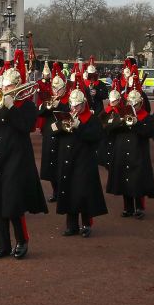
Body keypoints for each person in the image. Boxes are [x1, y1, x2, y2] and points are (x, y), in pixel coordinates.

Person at [0, 63, 48, 259]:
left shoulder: (27, 105)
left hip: (16, 158)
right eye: (4, 87)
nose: (4, 90)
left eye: (8, 87)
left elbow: (26, 127)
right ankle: (2, 245)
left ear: (17, 85)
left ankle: (22, 240)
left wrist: (9, 106)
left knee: (13, 202)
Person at [53, 87, 108, 237]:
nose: (74, 108)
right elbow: (54, 131)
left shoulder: (92, 119)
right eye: (72, 105)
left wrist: (79, 127)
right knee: (69, 191)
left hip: (84, 160)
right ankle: (72, 225)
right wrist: (60, 125)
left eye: (77, 105)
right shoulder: (67, 115)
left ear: (83, 104)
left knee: (84, 192)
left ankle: (86, 224)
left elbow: (95, 136)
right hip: (68, 158)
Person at [103, 90, 154, 218]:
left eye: (136, 105)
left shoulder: (146, 117)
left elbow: (149, 132)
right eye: (131, 105)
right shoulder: (120, 114)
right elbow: (108, 128)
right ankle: (128, 207)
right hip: (122, 151)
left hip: (138, 152)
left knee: (137, 180)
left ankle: (139, 207)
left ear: (140, 104)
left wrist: (136, 123)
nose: (133, 108)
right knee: (124, 179)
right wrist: (120, 121)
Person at [37, 70, 68, 202]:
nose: (56, 91)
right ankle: (55, 191)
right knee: (51, 164)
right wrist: (49, 106)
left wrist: (59, 105)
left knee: (62, 165)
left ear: (64, 89)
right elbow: (40, 113)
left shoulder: (68, 100)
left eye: (59, 89)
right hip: (50, 134)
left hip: (62, 136)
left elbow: (69, 114)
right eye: (54, 89)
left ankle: (63, 192)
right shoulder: (48, 98)